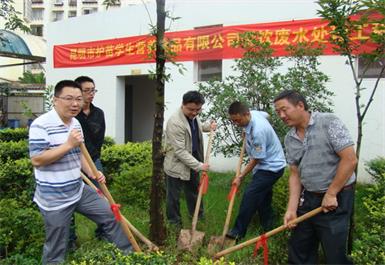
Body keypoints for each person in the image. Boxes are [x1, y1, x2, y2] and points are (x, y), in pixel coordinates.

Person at [29, 80, 132, 264]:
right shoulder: (41, 125)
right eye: (69, 98)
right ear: (55, 100)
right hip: (55, 199)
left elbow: (80, 154)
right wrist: (68, 144)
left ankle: (128, 257)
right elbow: (37, 160)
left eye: (78, 99)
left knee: (110, 215)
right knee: (56, 247)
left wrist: (92, 172)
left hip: (78, 189)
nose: (75, 104)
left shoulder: (75, 123)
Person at [274, 90, 357, 264]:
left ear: (300, 105)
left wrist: (332, 193)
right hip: (309, 199)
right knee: (299, 250)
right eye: (278, 112)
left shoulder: (328, 122)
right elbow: (295, 175)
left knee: (334, 255)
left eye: (284, 109)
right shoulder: (290, 138)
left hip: (337, 199)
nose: (281, 115)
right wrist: (291, 209)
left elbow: (349, 160)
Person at [226, 101, 286, 240]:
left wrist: (240, 176)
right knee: (263, 199)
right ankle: (269, 228)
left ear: (246, 114)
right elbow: (267, 115)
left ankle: (237, 232)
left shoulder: (258, 131)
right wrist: (245, 133)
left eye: (238, 120)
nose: (236, 123)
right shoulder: (254, 114)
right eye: (233, 120)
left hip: (270, 168)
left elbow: (256, 159)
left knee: (250, 195)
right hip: (269, 165)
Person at [164, 90, 216, 227]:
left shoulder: (193, 116)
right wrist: (199, 166)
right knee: (173, 197)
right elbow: (180, 151)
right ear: (183, 105)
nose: (194, 113)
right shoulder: (175, 122)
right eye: (191, 109)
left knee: (194, 191)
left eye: (198, 110)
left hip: (193, 160)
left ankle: (198, 218)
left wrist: (207, 127)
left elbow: (195, 128)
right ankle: (174, 224)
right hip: (176, 164)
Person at [68, 76, 106, 243]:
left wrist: (91, 164)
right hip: (72, 162)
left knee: (103, 197)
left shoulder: (98, 113)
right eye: (87, 91)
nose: (91, 94)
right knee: (68, 200)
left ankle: (103, 233)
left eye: (93, 90)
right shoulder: (71, 116)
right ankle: (69, 240)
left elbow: (99, 140)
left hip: (93, 160)